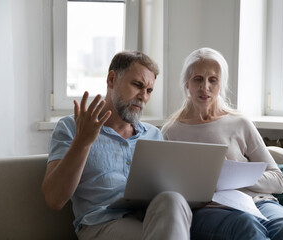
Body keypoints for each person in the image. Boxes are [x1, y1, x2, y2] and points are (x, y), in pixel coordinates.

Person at [42, 50, 192, 240]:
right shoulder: (72, 126)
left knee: (172, 199)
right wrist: (82, 142)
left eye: (149, 90)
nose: (143, 97)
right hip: (101, 224)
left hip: (149, 218)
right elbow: (54, 199)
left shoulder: (153, 134)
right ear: (112, 79)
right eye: (137, 85)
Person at [161, 47, 283, 240]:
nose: (205, 87)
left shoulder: (240, 123)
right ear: (187, 83)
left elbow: (279, 181)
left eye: (213, 80)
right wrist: (201, 189)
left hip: (257, 202)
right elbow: (164, 189)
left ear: (221, 85)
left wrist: (235, 179)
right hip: (209, 210)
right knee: (248, 226)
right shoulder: (171, 131)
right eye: (198, 79)